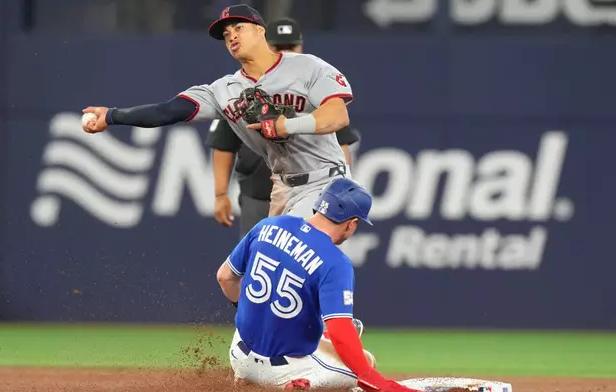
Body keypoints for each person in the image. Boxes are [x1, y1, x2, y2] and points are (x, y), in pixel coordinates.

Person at [82, 4, 356, 219]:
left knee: (288, 263)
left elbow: (337, 115)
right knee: (231, 276)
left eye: (238, 27)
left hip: (326, 182)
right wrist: (112, 116)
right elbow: (167, 111)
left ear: (261, 30)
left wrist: (286, 126)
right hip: (284, 188)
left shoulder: (308, 67)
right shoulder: (222, 91)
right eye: (226, 35)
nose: (231, 36)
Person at [216, 178, 420, 392]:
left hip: (239, 357)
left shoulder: (269, 225)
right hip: (283, 372)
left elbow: (224, 277)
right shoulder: (336, 263)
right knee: (365, 361)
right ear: (352, 223)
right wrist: (377, 382)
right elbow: (341, 332)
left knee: (317, 333)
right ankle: (305, 384)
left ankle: (245, 379)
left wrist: (258, 312)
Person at [206, 17, 361, 238]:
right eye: (279, 46)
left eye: (291, 46)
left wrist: (339, 189)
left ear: (301, 46)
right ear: (266, 45)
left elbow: (341, 143)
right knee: (256, 258)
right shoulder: (243, 90)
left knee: (305, 256)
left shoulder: (315, 85)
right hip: (258, 194)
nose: (287, 51)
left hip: (311, 192)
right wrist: (221, 194)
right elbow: (223, 144)